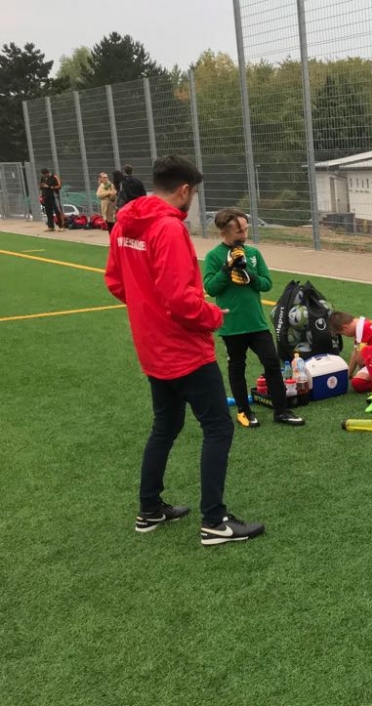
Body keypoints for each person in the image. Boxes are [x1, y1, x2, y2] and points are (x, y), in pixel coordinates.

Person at [105, 155, 264, 547]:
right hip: (184, 349)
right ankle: (214, 521)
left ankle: (149, 509)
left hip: (152, 348)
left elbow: (116, 282)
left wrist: (148, 313)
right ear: (184, 190)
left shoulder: (124, 224)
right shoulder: (168, 228)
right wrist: (213, 316)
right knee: (218, 427)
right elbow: (180, 300)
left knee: (166, 425)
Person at [202, 207, 305, 428]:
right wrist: (226, 270)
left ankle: (281, 411)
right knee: (237, 367)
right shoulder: (213, 256)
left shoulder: (253, 254)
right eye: (238, 231)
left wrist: (250, 276)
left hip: (257, 323)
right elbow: (210, 288)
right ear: (223, 232)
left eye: (245, 229)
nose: (244, 235)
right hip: (232, 325)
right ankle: (244, 411)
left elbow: (267, 284)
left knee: (271, 362)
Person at [331, 311, 372, 413]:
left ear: (345, 327)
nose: (345, 335)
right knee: (358, 380)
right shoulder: (360, 325)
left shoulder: (362, 329)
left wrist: (359, 361)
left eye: (342, 333)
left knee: (358, 382)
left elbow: (360, 361)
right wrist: (348, 374)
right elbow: (355, 354)